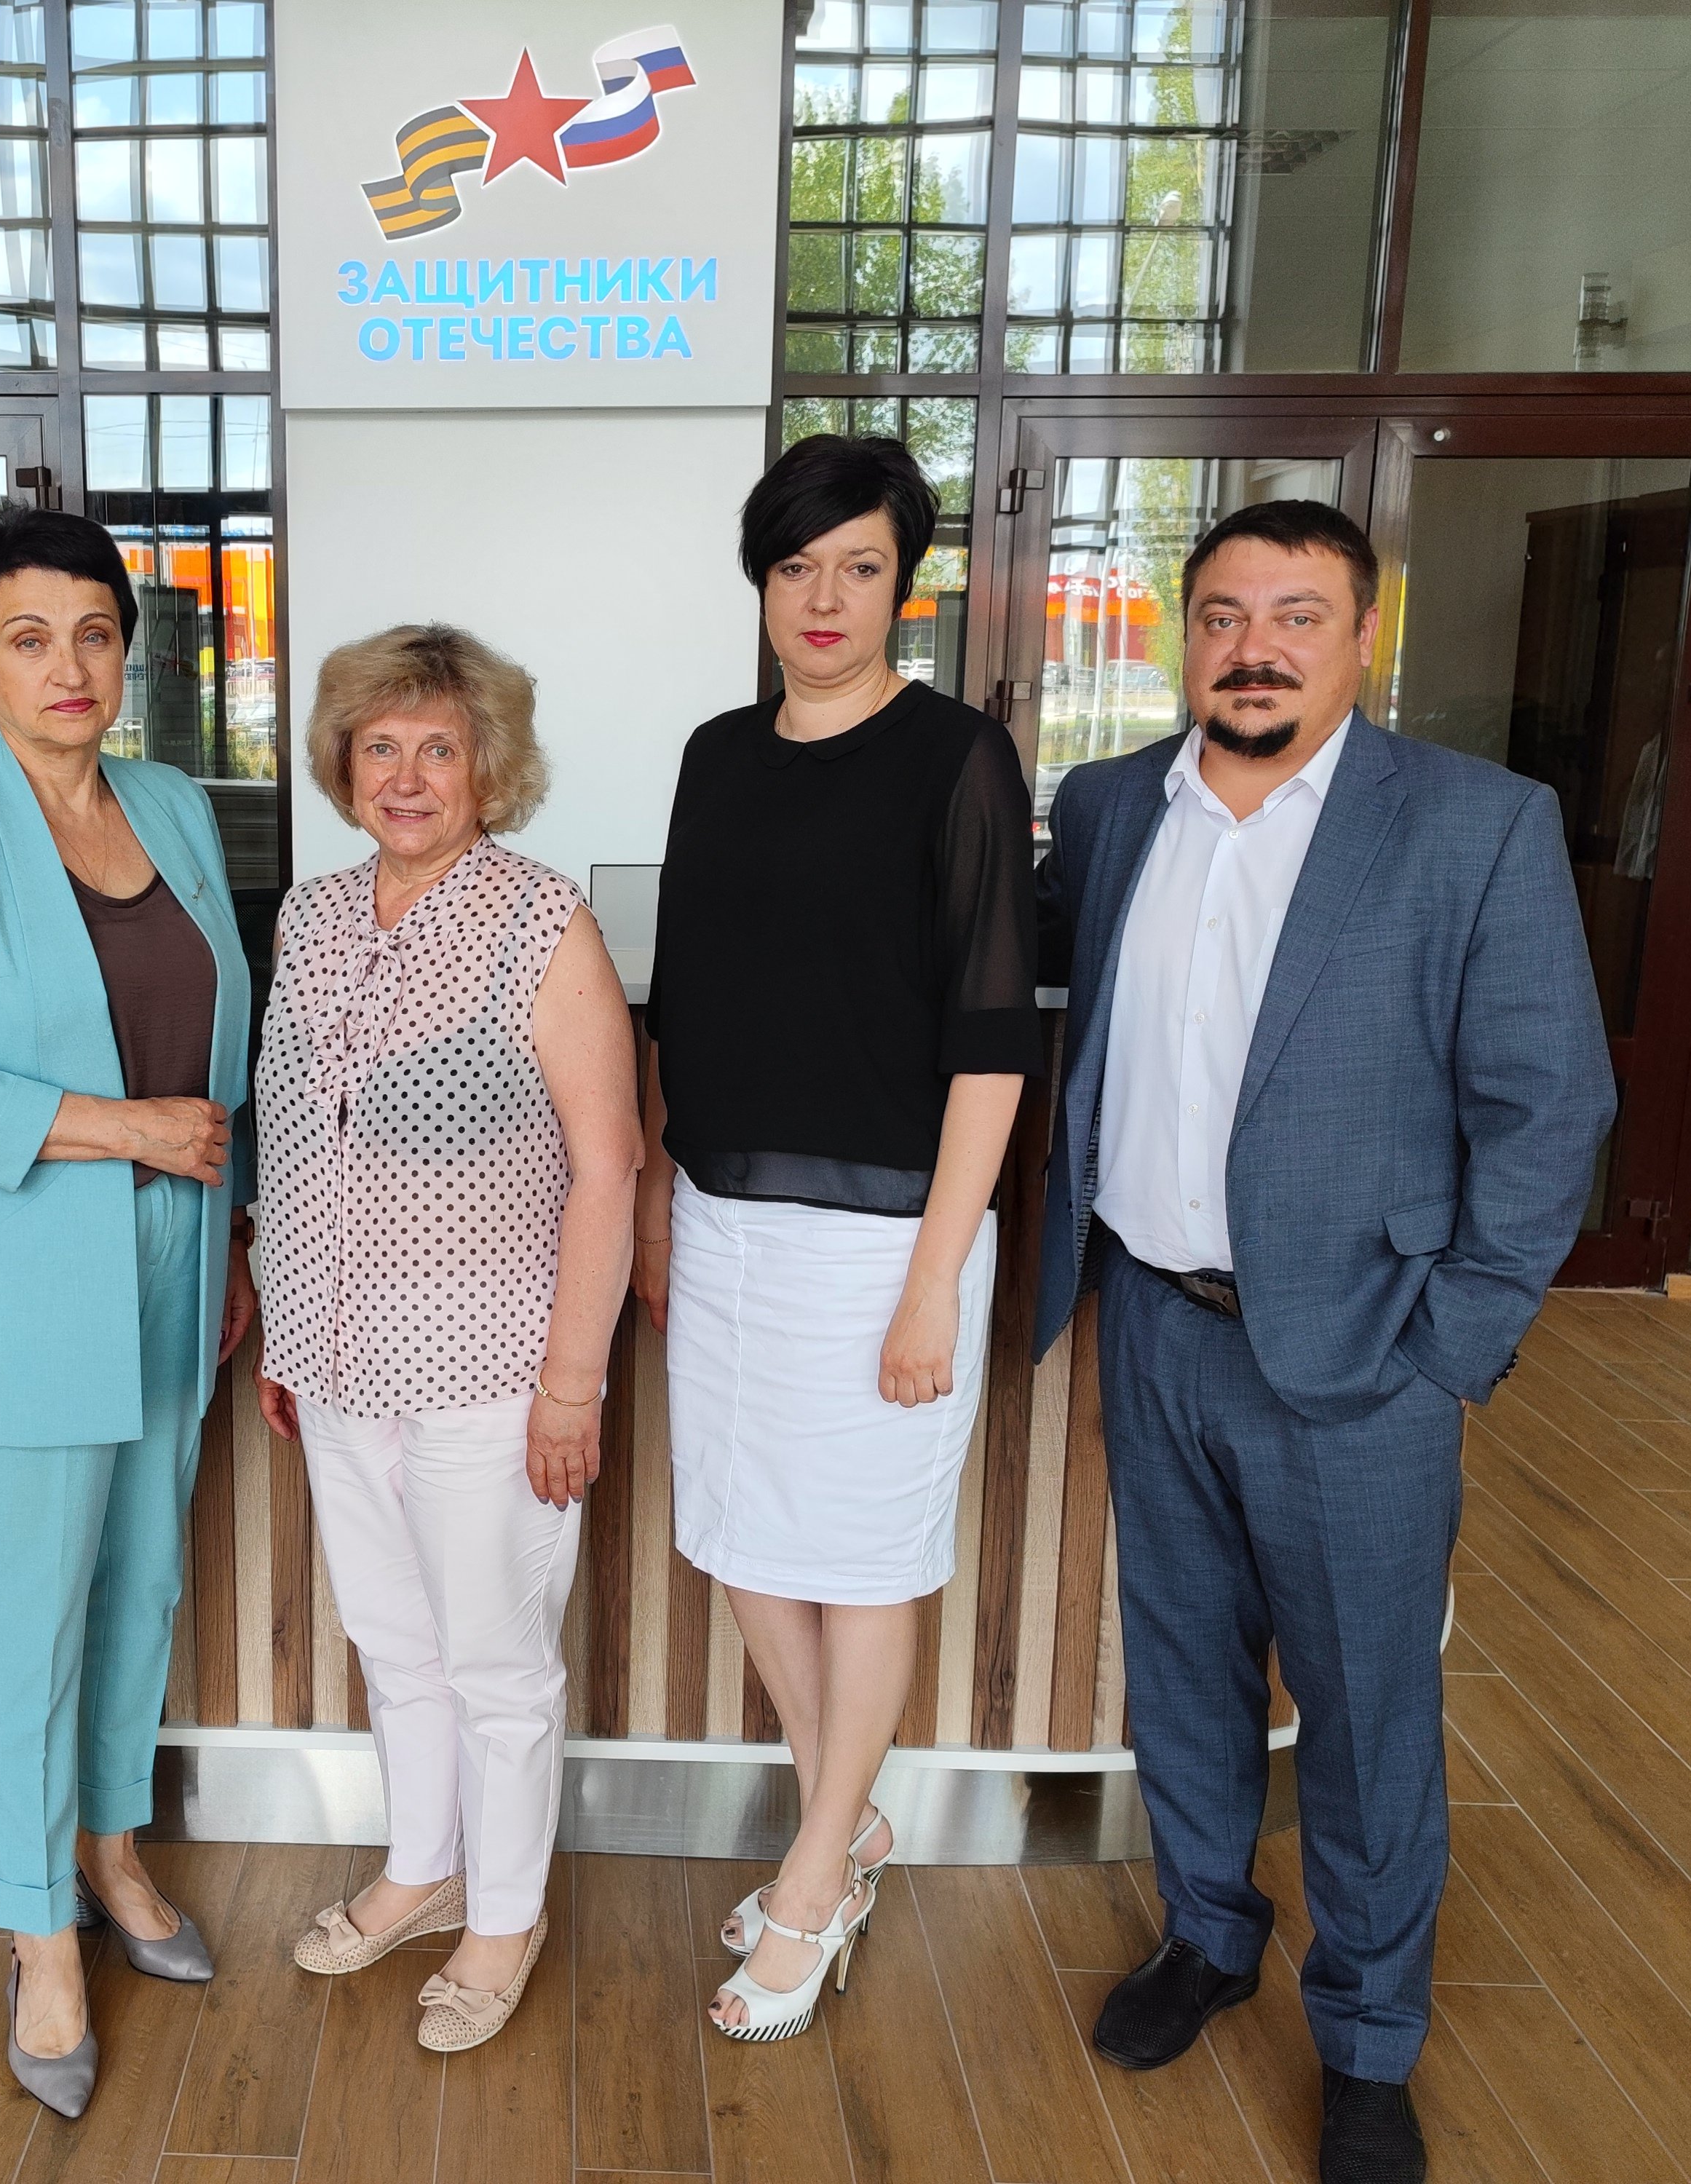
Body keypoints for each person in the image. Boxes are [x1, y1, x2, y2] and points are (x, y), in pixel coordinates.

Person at [1035, 499, 1613, 2184]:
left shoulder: (1470, 824)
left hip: (1364, 1352)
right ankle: (1208, 1934)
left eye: (1297, 614)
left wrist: (1452, 1343)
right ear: (1185, 635)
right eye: (1223, 614)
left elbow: (1546, 1104)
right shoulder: (1109, 806)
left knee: (1365, 1711)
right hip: (1153, 1321)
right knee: (1181, 1668)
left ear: (1364, 635)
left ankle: (1365, 2038)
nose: (1255, 648)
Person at [0, 507, 254, 2118]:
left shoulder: (173, 805)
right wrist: (127, 1127)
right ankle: (38, 1934)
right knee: (29, 1616)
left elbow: (223, 1047)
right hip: (21, 1276)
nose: (67, 666)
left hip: (176, 1261)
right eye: (27, 638)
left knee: (141, 1583)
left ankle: (113, 1851)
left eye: (94, 634)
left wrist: (228, 1237)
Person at [634, 435, 1039, 2043]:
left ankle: (813, 1877)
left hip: (886, 1241)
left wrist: (936, 1281)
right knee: (745, 1543)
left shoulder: (958, 758)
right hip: (722, 1220)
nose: (824, 597)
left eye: (858, 567)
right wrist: (660, 1206)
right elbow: (685, 999)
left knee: (863, 1563)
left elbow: (991, 1042)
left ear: (902, 586)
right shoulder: (715, 755)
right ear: (761, 579)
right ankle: (846, 1821)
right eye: (797, 566)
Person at [252, 626, 640, 2054]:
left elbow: (609, 1165)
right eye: (380, 747)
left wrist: (570, 1388)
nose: (406, 777)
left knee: (494, 1665)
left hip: (493, 1375)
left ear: (489, 768)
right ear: (341, 764)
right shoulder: (309, 916)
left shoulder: (541, 920)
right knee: (391, 1642)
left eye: (438, 748)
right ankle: (422, 1869)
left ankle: (505, 1913)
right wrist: (285, 1326)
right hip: (334, 1367)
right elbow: (293, 1134)